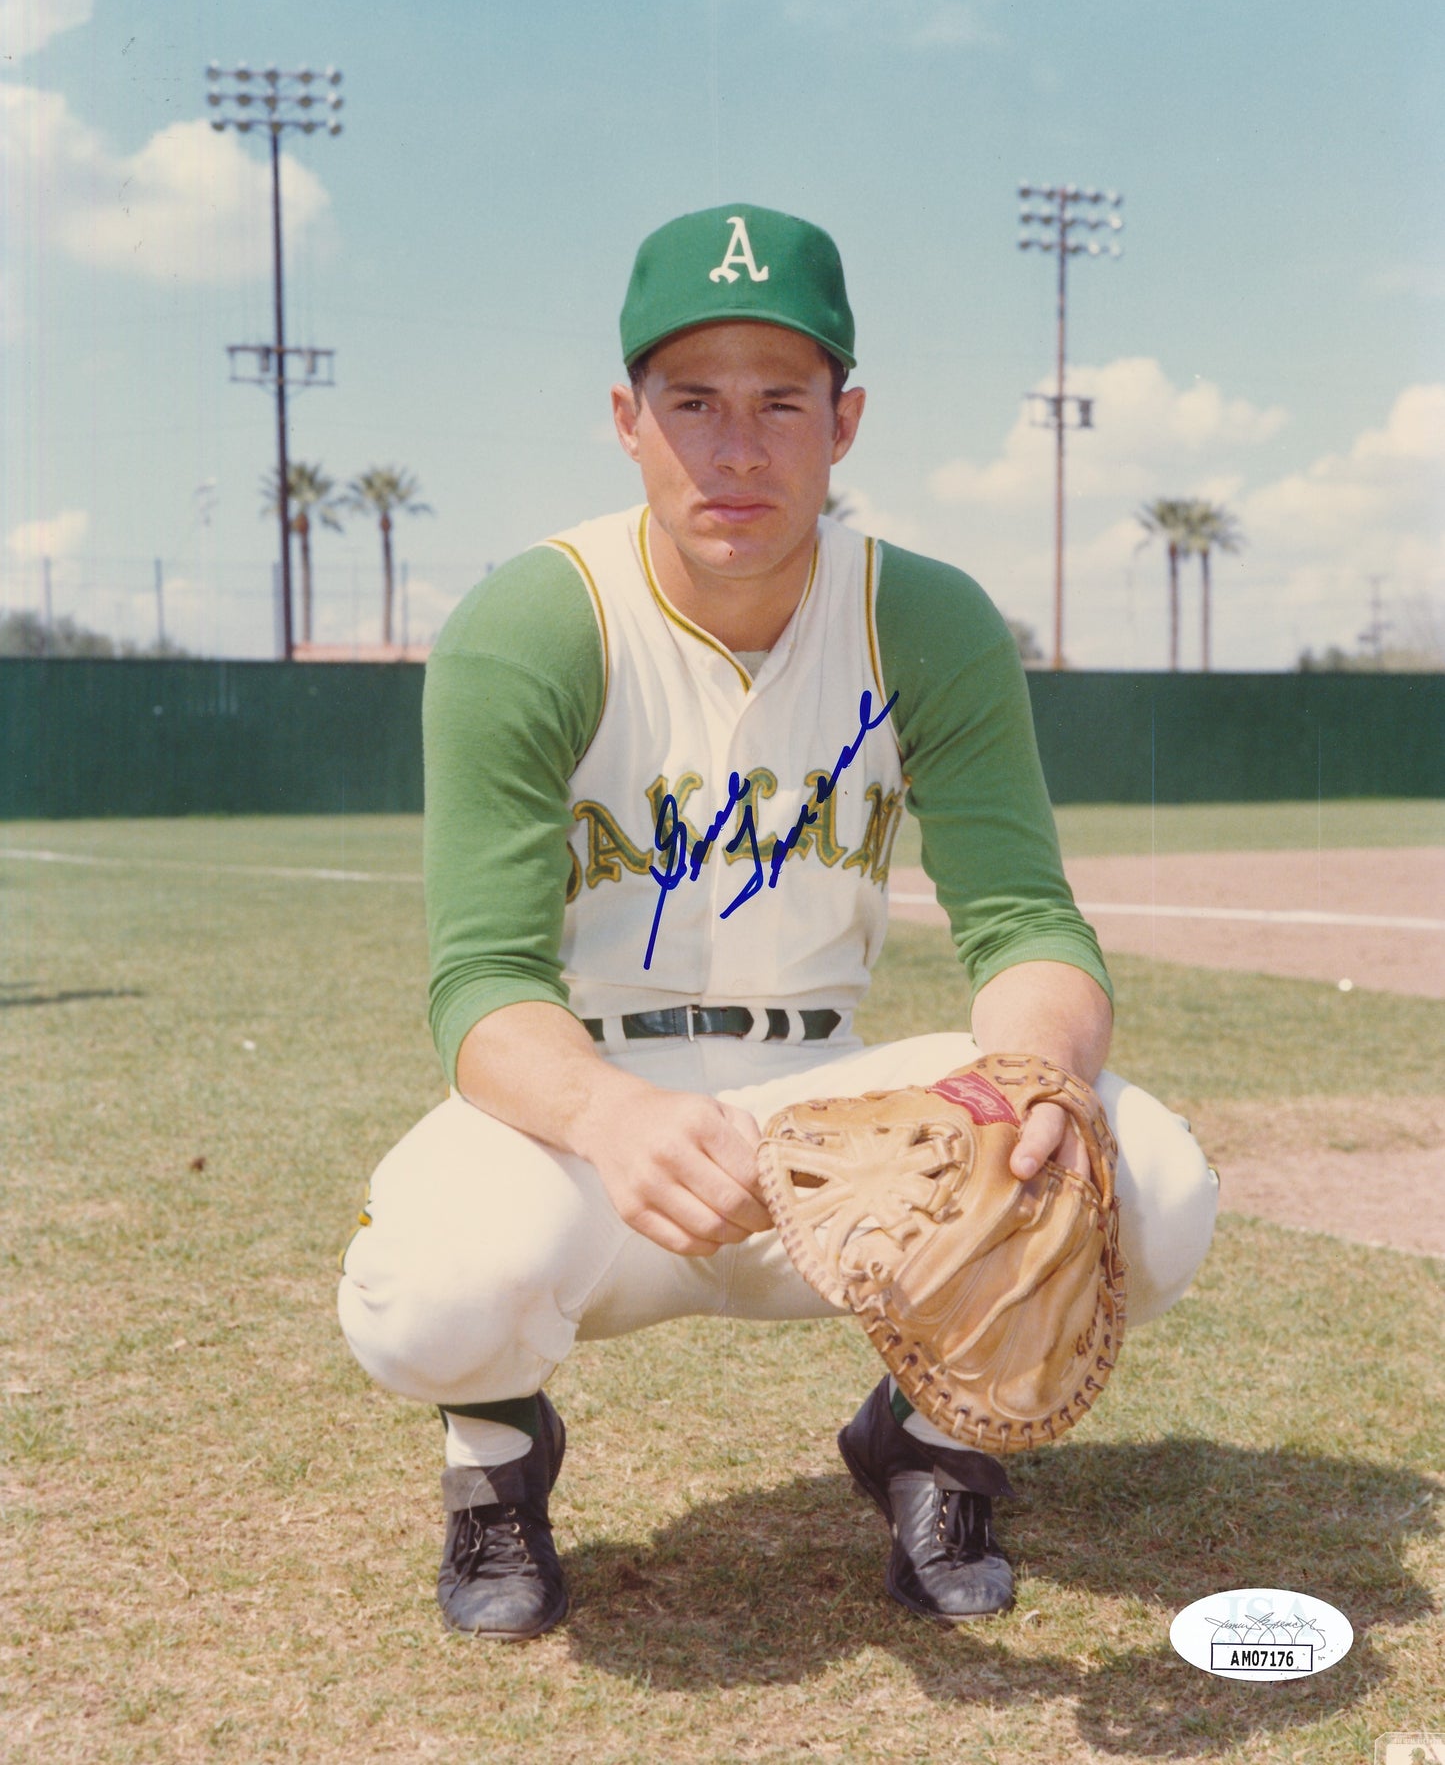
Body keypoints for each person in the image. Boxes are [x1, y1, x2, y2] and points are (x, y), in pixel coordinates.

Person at [338, 204, 1218, 1640]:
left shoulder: (918, 618)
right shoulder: (537, 620)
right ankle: (494, 1456)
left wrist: (1036, 1068)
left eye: (778, 401)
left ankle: (930, 1444)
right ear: (626, 419)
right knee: (436, 1287)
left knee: (1150, 1184)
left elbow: (1021, 922)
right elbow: (481, 985)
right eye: (691, 401)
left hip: (837, 1113)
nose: (734, 448)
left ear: (844, 419)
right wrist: (611, 1115)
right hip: (588, 1122)